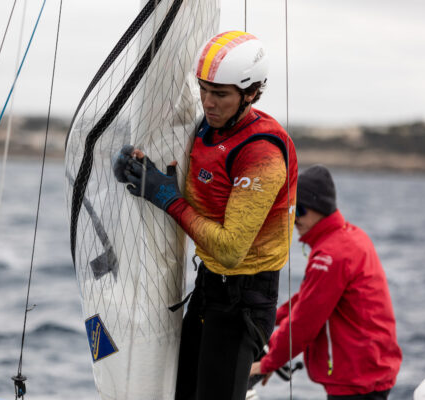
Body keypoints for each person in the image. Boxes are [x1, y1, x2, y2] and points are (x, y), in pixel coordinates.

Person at [113, 31, 298, 400]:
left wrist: (166, 198)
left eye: (221, 94)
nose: (208, 103)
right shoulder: (206, 127)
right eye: (204, 89)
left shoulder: (261, 152)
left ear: (250, 93)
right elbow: (173, 161)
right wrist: (130, 166)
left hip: (244, 298)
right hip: (209, 287)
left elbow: (231, 249)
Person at [250, 165, 402, 400]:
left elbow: (305, 321)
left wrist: (268, 363)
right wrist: (272, 325)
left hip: (356, 380)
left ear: (320, 208)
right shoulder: (349, 237)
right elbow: (309, 299)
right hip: (370, 371)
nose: (294, 217)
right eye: (292, 209)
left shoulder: (331, 255)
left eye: (300, 209)